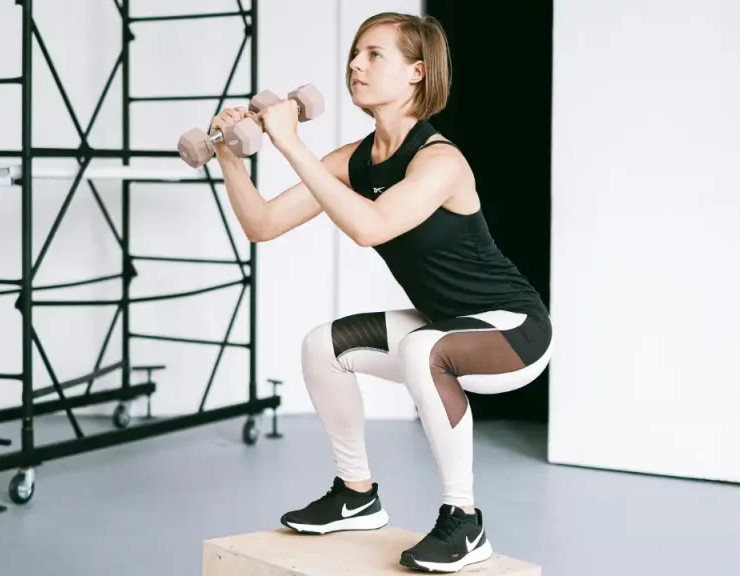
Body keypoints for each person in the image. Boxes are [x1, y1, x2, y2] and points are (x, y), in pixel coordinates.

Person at [203, 11, 552, 573]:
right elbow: (262, 224)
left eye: (374, 55)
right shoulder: (355, 160)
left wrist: (290, 143)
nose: (355, 65)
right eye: (354, 54)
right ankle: (356, 494)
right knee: (323, 345)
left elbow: (371, 227)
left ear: (417, 72)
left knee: (424, 350)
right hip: (442, 324)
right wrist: (227, 155)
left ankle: (464, 521)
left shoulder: (441, 161)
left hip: (515, 331)